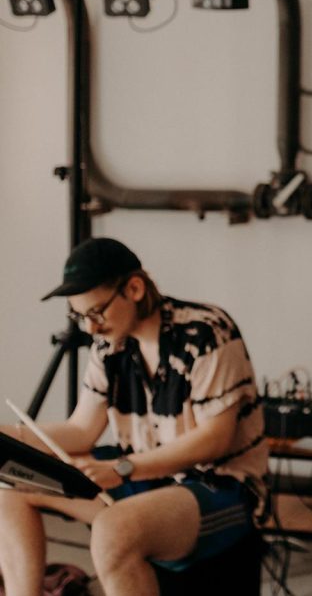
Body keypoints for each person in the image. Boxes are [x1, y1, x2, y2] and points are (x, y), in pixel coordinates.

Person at [0, 237, 268, 596]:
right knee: (11, 489)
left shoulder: (205, 331)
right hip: (145, 475)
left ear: (135, 288)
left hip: (218, 485)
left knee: (115, 530)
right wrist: (7, 436)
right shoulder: (109, 346)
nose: (90, 328)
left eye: (96, 313)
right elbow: (81, 430)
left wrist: (122, 468)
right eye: (80, 317)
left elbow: (213, 439)